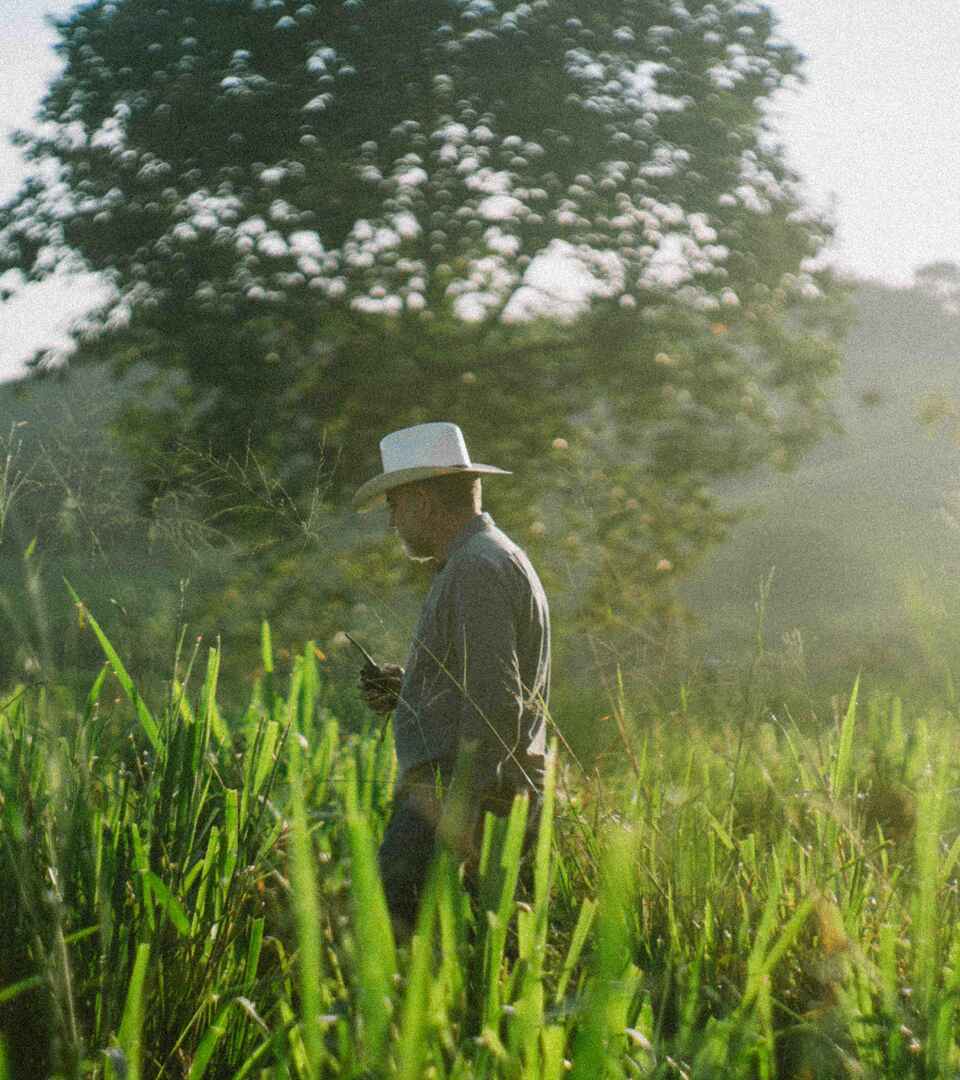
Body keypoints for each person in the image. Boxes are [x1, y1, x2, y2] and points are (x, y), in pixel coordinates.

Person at [352, 421, 551, 934]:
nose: (392, 524)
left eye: (393, 508)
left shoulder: (476, 568)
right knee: (448, 960)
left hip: (458, 799)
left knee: (389, 943)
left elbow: (496, 702)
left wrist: (461, 818)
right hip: (471, 796)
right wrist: (410, 691)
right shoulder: (484, 559)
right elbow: (486, 686)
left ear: (420, 502)